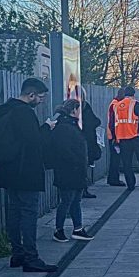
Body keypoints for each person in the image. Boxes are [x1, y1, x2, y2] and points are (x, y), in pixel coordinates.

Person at [0, 77, 57, 274]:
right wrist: (47, 128)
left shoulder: (6, 110)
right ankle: (31, 258)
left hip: (9, 170)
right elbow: (35, 142)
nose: (41, 101)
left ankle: (17, 254)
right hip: (25, 171)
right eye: (40, 97)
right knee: (28, 214)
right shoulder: (24, 113)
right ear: (31, 94)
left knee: (14, 212)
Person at [48, 100, 95, 243]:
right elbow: (65, 150)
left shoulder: (69, 125)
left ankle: (78, 229)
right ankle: (58, 230)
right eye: (79, 109)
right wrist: (77, 162)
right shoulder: (65, 127)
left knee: (75, 201)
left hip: (76, 170)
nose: (80, 113)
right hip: (69, 171)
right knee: (67, 201)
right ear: (74, 110)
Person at [111, 86, 139, 191]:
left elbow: (114, 122)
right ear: (133, 94)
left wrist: (115, 137)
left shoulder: (116, 106)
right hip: (136, 137)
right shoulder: (135, 104)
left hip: (122, 137)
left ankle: (130, 184)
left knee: (127, 162)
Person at [80, 90, 102, 199]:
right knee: (84, 166)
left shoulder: (82, 107)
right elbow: (94, 121)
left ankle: (82, 189)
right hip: (86, 141)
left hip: (83, 140)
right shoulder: (85, 107)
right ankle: (83, 189)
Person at [106, 88, 125, 187]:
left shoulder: (114, 103)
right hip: (114, 136)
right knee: (115, 159)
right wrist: (115, 137)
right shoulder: (115, 105)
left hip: (114, 135)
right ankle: (114, 179)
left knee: (115, 158)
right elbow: (113, 123)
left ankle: (112, 178)